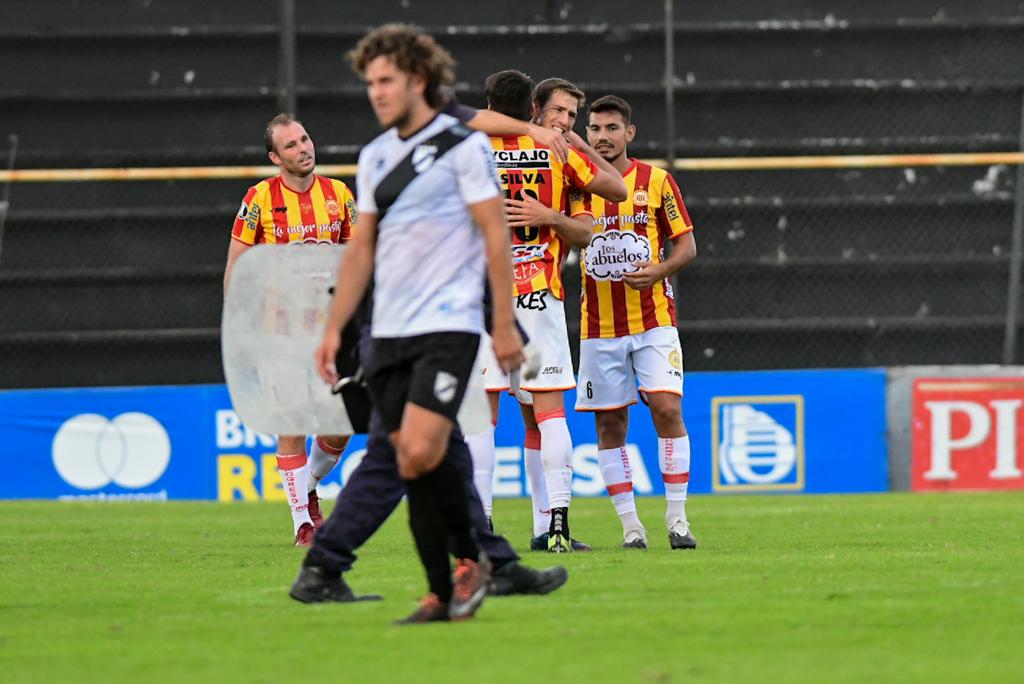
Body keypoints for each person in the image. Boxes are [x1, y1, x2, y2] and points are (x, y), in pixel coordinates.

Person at [310, 24, 523, 624]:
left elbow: (494, 233)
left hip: (449, 326)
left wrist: (503, 324)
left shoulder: (463, 146)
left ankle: (475, 567)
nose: (375, 92)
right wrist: (334, 328)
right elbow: (360, 250)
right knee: (414, 461)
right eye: (370, 82)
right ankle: (446, 588)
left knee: (421, 449)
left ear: (419, 81)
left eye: (387, 81)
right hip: (389, 332)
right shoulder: (375, 155)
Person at [475, 74, 627, 553]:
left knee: (481, 417)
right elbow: (617, 188)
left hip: (481, 298)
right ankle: (556, 524)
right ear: (535, 107)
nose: (564, 121)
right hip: (538, 296)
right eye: (559, 113)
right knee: (549, 412)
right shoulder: (558, 154)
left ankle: (481, 529)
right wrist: (572, 146)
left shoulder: (469, 149)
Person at [572, 95, 698, 550]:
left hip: (654, 321)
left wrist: (659, 271)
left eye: (611, 128)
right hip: (598, 327)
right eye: (594, 129)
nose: (602, 137)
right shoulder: (576, 184)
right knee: (609, 426)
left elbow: (686, 246)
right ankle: (631, 527)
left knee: (667, 408)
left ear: (630, 133)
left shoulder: (657, 181)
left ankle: (677, 519)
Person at [224, 113, 353, 547]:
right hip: (279, 330)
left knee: (342, 423)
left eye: (305, 139)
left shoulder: (338, 194)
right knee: (293, 419)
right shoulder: (259, 198)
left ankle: (310, 483)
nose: (304, 149)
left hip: (331, 329)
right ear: (275, 157)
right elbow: (237, 267)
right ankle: (302, 524)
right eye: (292, 145)